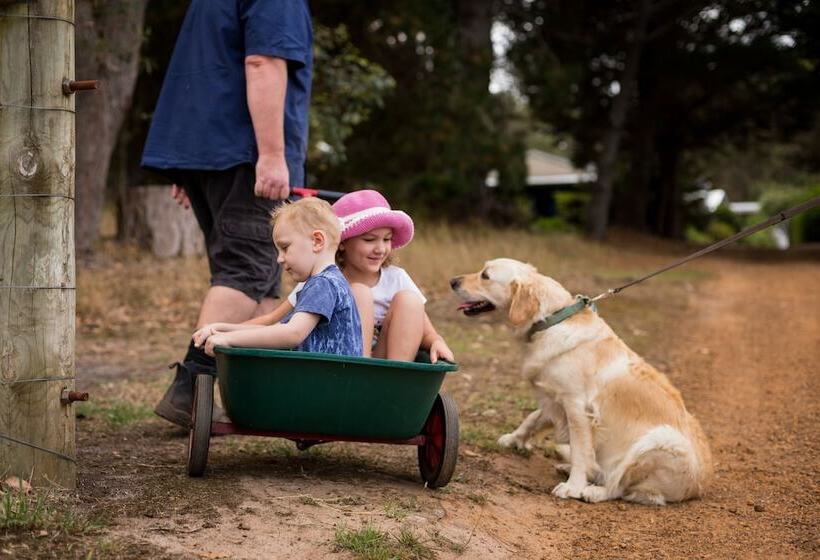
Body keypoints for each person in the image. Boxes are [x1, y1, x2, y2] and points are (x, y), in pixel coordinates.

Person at [140, 0, 313, 427]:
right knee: (243, 272)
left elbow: (200, 69)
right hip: (247, 156)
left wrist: (187, 162)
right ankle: (192, 387)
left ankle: (257, 396)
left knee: (265, 276)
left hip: (208, 152)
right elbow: (262, 62)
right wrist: (273, 154)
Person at [259, 190, 454, 362]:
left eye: (386, 239)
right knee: (359, 291)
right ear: (343, 242)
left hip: (384, 361)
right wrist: (233, 329)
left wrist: (436, 341)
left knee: (410, 300)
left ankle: (396, 380)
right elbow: (274, 319)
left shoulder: (396, 278)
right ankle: (360, 373)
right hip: (342, 363)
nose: (380, 248)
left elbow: (425, 329)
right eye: (369, 239)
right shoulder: (324, 280)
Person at [192, 198, 363, 357]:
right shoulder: (326, 282)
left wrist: (229, 340)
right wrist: (222, 329)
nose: (279, 259)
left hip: (328, 385)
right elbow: (279, 328)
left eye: (285, 247)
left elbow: (293, 333)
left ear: (317, 241)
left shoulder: (323, 284)